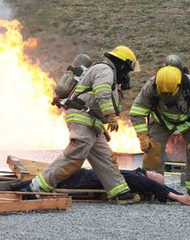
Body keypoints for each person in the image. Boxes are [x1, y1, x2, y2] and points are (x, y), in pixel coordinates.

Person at [27, 45, 142, 204]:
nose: (127, 74)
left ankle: (120, 192)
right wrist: (110, 115)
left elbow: (95, 101)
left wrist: (102, 124)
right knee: (74, 157)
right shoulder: (105, 70)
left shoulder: (108, 74)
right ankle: (36, 187)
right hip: (82, 118)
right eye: (127, 70)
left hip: (91, 122)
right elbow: (101, 93)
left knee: (105, 159)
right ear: (121, 65)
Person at [129, 66, 190, 200]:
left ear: (179, 86)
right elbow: (137, 111)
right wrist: (143, 137)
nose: (166, 97)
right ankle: (152, 187)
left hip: (189, 122)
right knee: (152, 151)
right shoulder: (150, 87)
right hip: (161, 121)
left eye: (169, 95)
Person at [12, 168, 190, 205]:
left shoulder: (136, 179)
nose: (160, 175)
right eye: (160, 175)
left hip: (82, 179)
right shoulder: (136, 175)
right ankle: (15, 187)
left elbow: (153, 186)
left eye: (160, 177)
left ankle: (14, 187)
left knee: (51, 180)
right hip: (83, 176)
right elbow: (155, 186)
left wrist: (179, 196)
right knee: (50, 179)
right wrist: (178, 195)